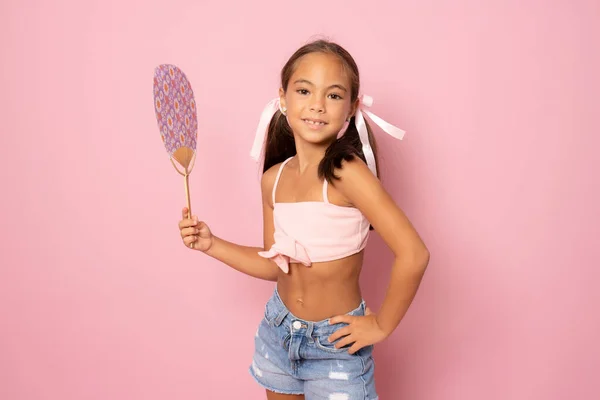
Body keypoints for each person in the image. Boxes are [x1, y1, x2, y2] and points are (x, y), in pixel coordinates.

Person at [178, 39, 429, 400]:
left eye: (333, 95)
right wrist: (210, 243)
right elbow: (275, 265)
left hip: (333, 346)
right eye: (304, 90)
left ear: (352, 108)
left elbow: (414, 253)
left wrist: (381, 324)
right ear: (282, 98)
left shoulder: (347, 173)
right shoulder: (273, 179)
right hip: (278, 333)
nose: (316, 104)